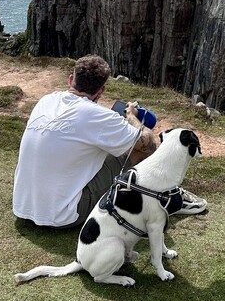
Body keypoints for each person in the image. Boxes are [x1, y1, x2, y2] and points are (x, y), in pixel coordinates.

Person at [12, 54, 206, 228]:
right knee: (140, 150)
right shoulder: (99, 116)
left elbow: (84, 118)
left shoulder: (47, 100)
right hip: (64, 216)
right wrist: (131, 115)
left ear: (71, 80)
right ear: (101, 90)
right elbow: (147, 142)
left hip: (22, 208)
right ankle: (168, 198)